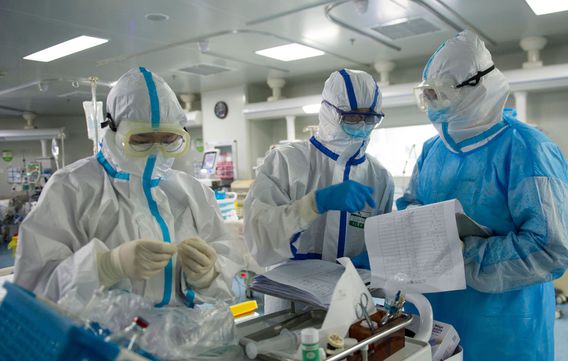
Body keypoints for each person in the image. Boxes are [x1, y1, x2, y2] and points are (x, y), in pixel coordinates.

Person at [398, 31, 568, 361]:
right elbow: (412, 202)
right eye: (428, 95)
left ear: (477, 88)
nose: (433, 106)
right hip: (434, 316)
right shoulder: (433, 150)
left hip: (505, 327)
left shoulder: (530, 150)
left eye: (441, 94)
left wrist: (459, 257)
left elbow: (549, 249)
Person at [14, 67, 242, 307]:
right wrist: (105, 266)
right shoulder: (71, 188)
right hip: (101, 343)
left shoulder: (193, 193)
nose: (156, 151)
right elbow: (32, 292)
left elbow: (231, 282)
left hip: (186, 341)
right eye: (141, 140)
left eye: (168, 139)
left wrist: (209, 276)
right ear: (113, 131)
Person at [244, 69, 394, 269]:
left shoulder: (380, 177)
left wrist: (377, 258)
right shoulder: (285, 161)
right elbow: (259, 238)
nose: (362, 125)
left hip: (351, 291)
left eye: (370, 118)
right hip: (290, 294)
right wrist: (313, 205)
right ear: (328, 112)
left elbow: (383, 240)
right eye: (352, 117)